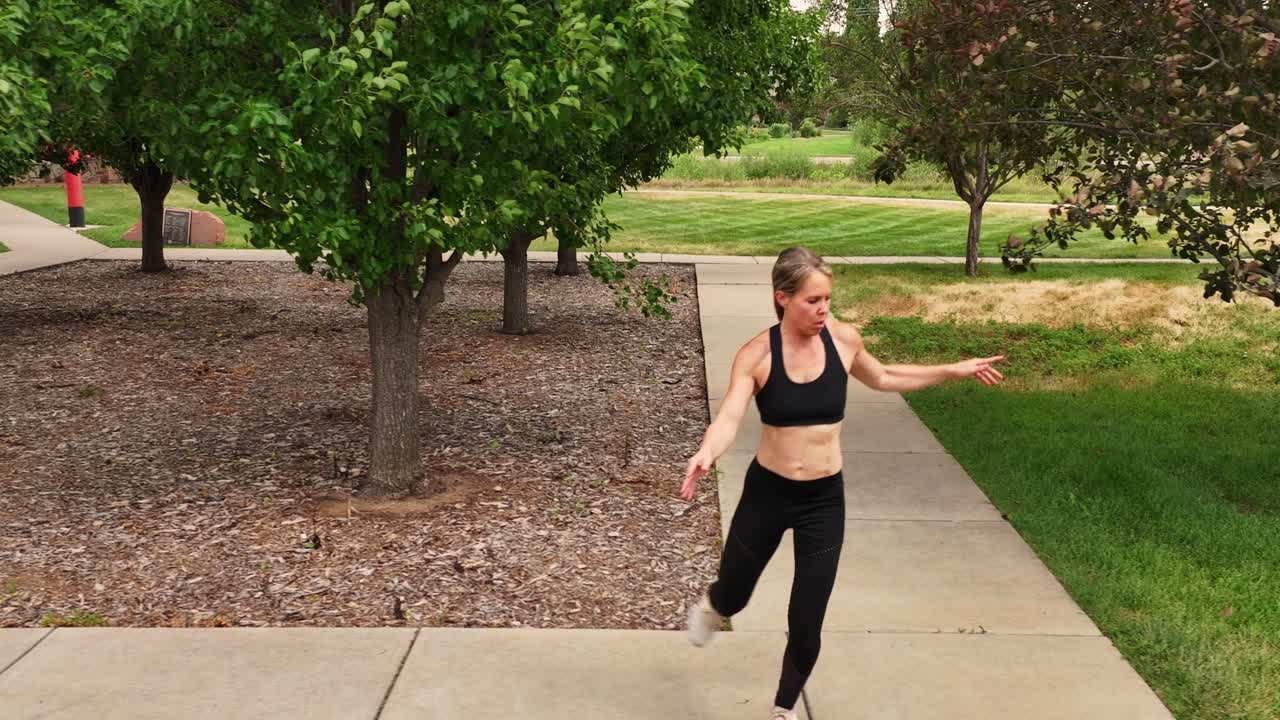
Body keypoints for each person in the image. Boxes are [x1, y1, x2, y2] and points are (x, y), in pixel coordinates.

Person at [680, 246, 1005, 720]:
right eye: (813, 300)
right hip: (768, 494)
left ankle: (783, 709)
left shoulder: (843, 341)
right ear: (782, 298)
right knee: (735, 593)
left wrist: (951, 369)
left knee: (807, 618)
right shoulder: (756, 355)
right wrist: (707, 452)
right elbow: (730, 416)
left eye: (828, 298)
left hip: (823, 501)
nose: (823, 309)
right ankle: (715, 606)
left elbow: (885, 376)